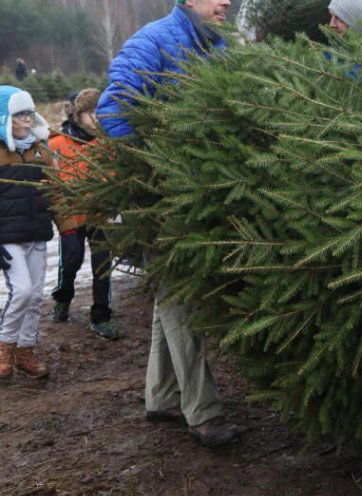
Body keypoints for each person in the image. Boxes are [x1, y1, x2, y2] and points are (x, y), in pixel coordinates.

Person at [97, 0, 239, 447]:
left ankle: (160, 397)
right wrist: (159, 168)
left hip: (198, 198)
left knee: (168, 297)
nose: (226, 2)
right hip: (162, 201)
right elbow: (112, 108)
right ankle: (204, 411)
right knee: (182, 297)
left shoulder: (216, 47)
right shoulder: (153, 40)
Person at [48, 88, 117, 341]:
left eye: (100, 112)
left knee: (102, 265)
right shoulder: (57, 143)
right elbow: (50, 179)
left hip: (101, 213)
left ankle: (102, 316)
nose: (97, 118)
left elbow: (115, 176)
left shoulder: (108, 142)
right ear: (78, 115)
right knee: (71, 260)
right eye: (91, 113)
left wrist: (113, 207)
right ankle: (63, 298)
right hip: (71, 214)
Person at [0, 86, 54, 380]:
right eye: (20, 114)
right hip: (8, 238)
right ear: (6, 118)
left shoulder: (40, 152)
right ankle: (5, 346)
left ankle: (26, 350)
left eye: (29, 113)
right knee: (20, 290)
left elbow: (57, 193)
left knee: (34, 296)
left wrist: (69, 226)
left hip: (37, 234)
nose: (27, 119)